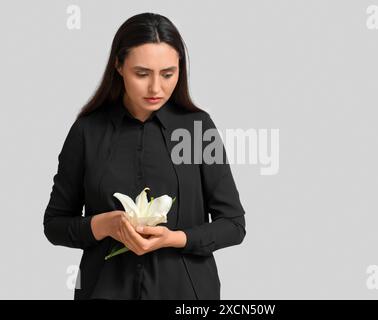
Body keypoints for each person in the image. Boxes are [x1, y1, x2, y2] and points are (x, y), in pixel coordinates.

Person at [43, 12, 246, 300]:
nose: (156, 88)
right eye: (142, 74)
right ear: (118, 65)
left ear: (180, 69)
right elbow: (55, 225)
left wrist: (175, 238)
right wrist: (103, 225)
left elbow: (234, 225)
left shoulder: (198, 129)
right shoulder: (88, 131)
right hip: (103, 290)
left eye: (168, 74)